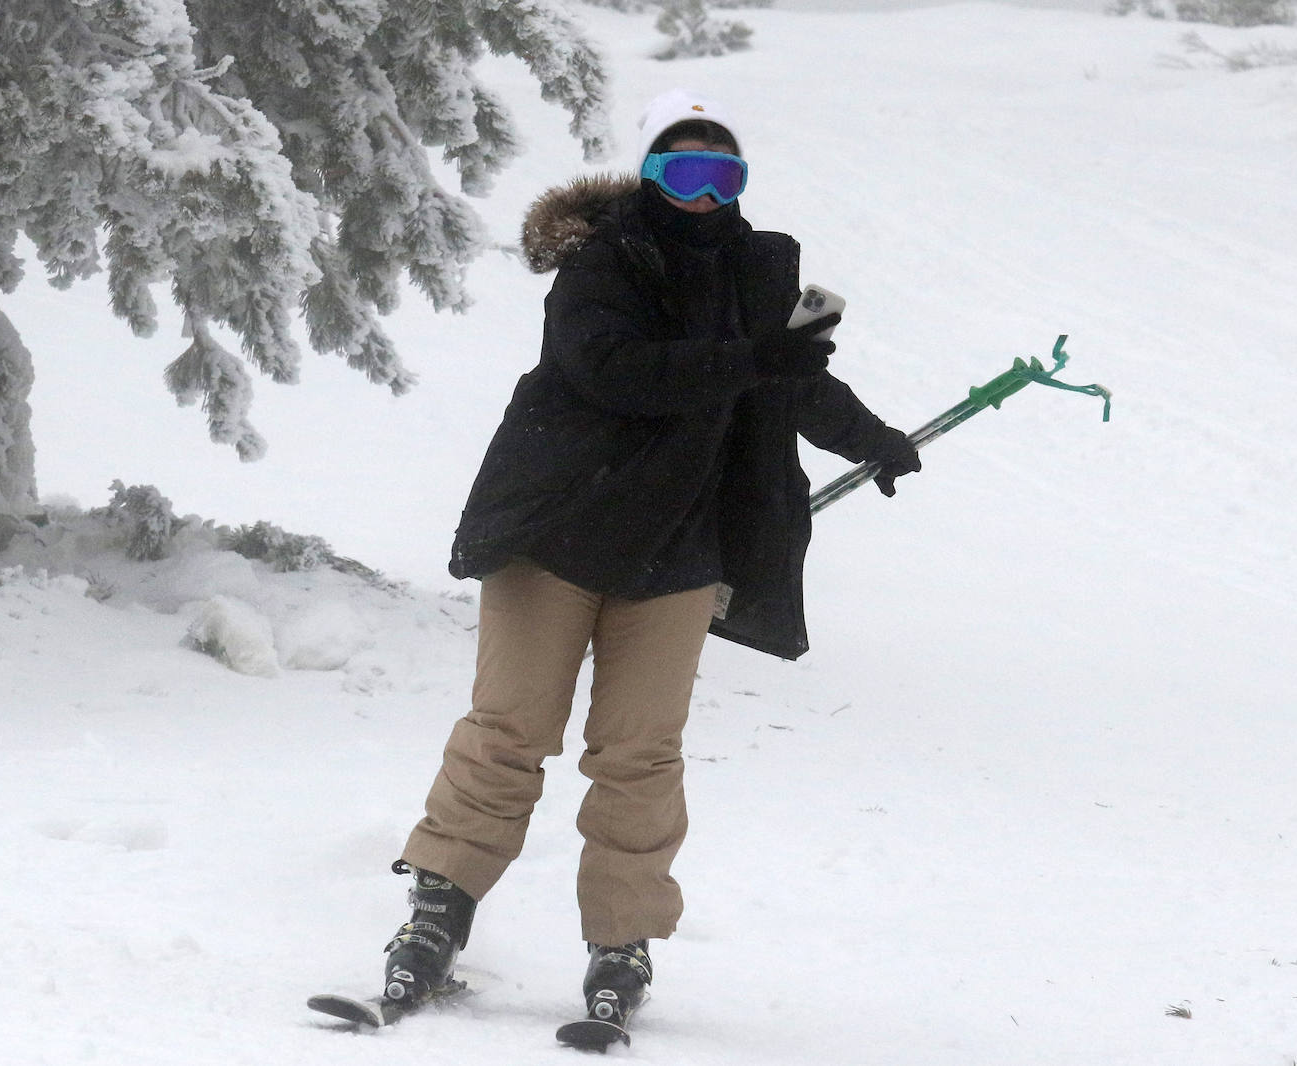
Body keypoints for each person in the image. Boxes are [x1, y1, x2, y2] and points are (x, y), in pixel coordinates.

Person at [378, 88, 921, 1023]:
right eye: (681, 169)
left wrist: (871, 437)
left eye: (723, 173)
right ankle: (436, 913)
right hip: (556, 532)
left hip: (678, 551)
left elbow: (789, 383)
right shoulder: (601, 263)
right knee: (508, 732)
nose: (704, 194)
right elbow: (617, 373)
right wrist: (757, 358)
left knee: (639, 755)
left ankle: (620, 942)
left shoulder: (762, 275)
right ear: (649, 174)